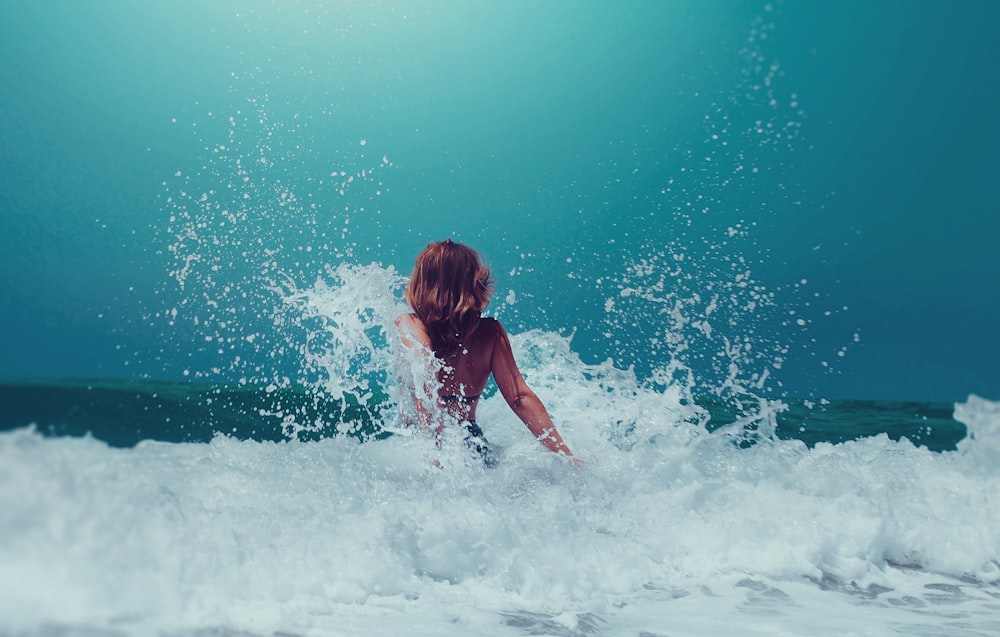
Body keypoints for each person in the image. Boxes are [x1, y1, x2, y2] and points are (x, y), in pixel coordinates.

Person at [395, 239, 577, 466]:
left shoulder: (409, 324)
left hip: (419, 444)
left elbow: (428, 387)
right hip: (471, 443)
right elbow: (520, 397)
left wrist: (434, 460)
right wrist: (567, 456)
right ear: (474, 284)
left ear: (422, 285)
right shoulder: (490, 333)